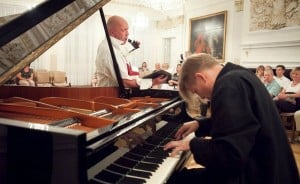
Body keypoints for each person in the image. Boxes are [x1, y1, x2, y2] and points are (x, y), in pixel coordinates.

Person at [164, 53, 299, 184]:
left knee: (176, 180)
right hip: (267, 169)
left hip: (258, 175)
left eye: (195, 91)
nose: (202, 97)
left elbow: (230, 155)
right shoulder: (238, 75)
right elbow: (240, 123)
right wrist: (200, 125)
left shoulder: (228, 86)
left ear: (201, 77)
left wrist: (193, 144)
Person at [94, 15, 167, 88]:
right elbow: (125, 82)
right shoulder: (109, 50)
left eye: (127, 30)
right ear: (112, 32)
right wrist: (153, 82)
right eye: (124, 30)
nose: (127, 33)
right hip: (111, 97)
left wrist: (132, 47)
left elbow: (122, 54)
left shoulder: (112, 47)